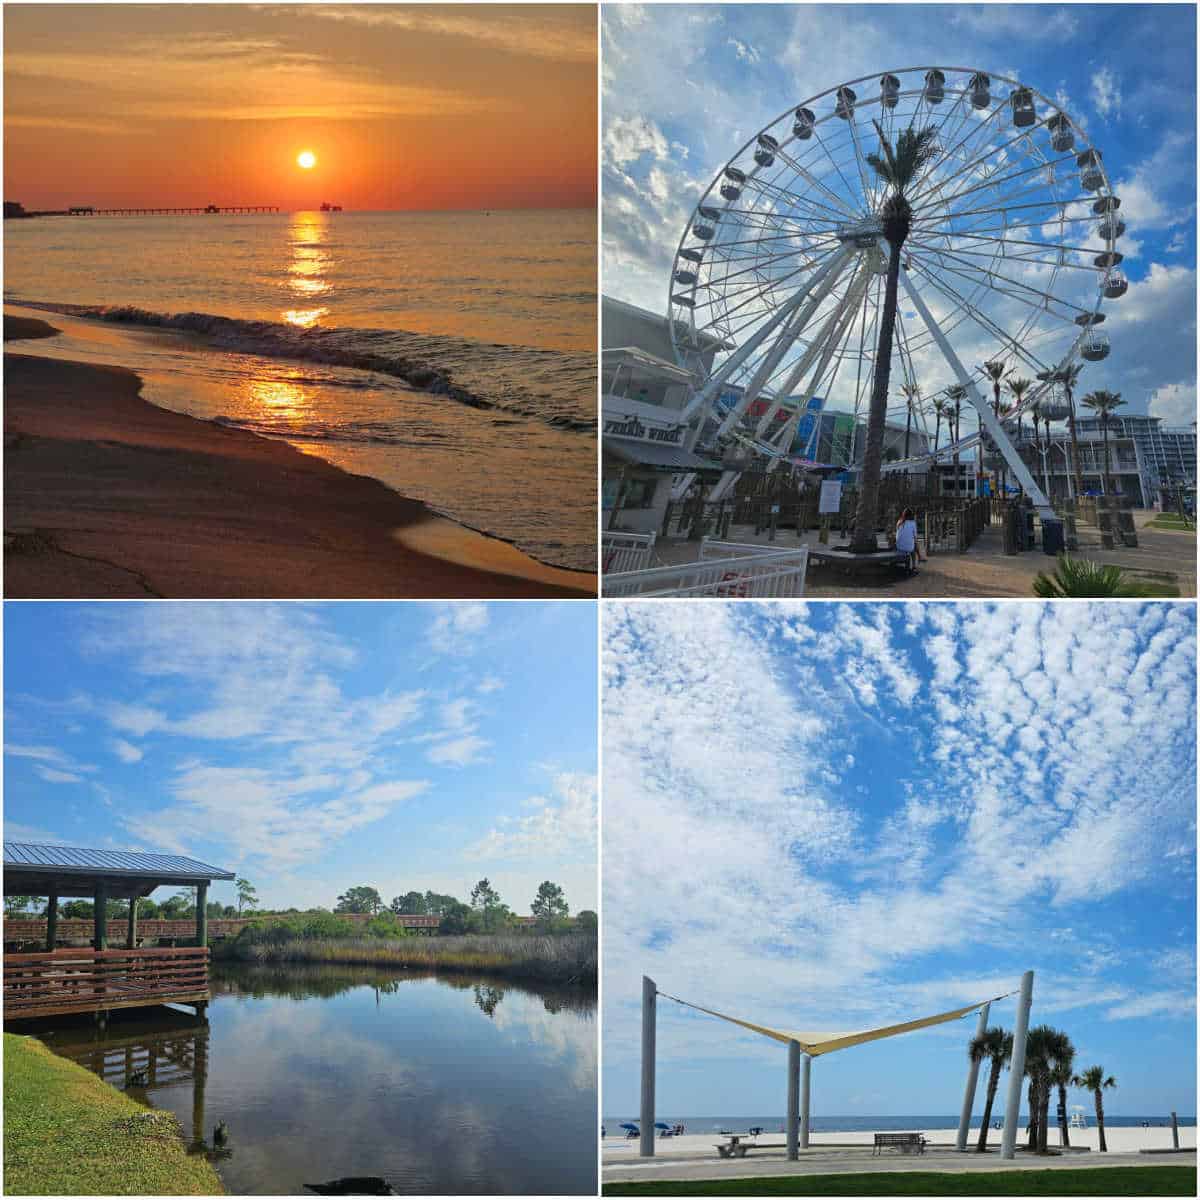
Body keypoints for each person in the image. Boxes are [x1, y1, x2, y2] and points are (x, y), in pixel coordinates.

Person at [895, 508, 919, 573]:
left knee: (910, 544)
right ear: (911, 515)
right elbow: (915, 537)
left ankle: (918, 558)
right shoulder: (913, 523)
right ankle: (914, 566)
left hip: (899, 546)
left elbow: (897, 533)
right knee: (913, 550)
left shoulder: (899, 521)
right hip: (908, 548)